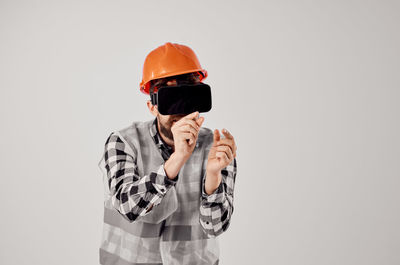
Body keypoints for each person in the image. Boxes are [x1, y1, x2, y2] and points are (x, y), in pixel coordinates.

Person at [98, 42, 238, 265]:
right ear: (152, 106)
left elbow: (216, 227)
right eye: (169, 98)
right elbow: (127, 206)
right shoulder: (123, 142)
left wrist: (213, 177)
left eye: (187, 95)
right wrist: (177, 159)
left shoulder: (217, 148)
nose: (179, 109)